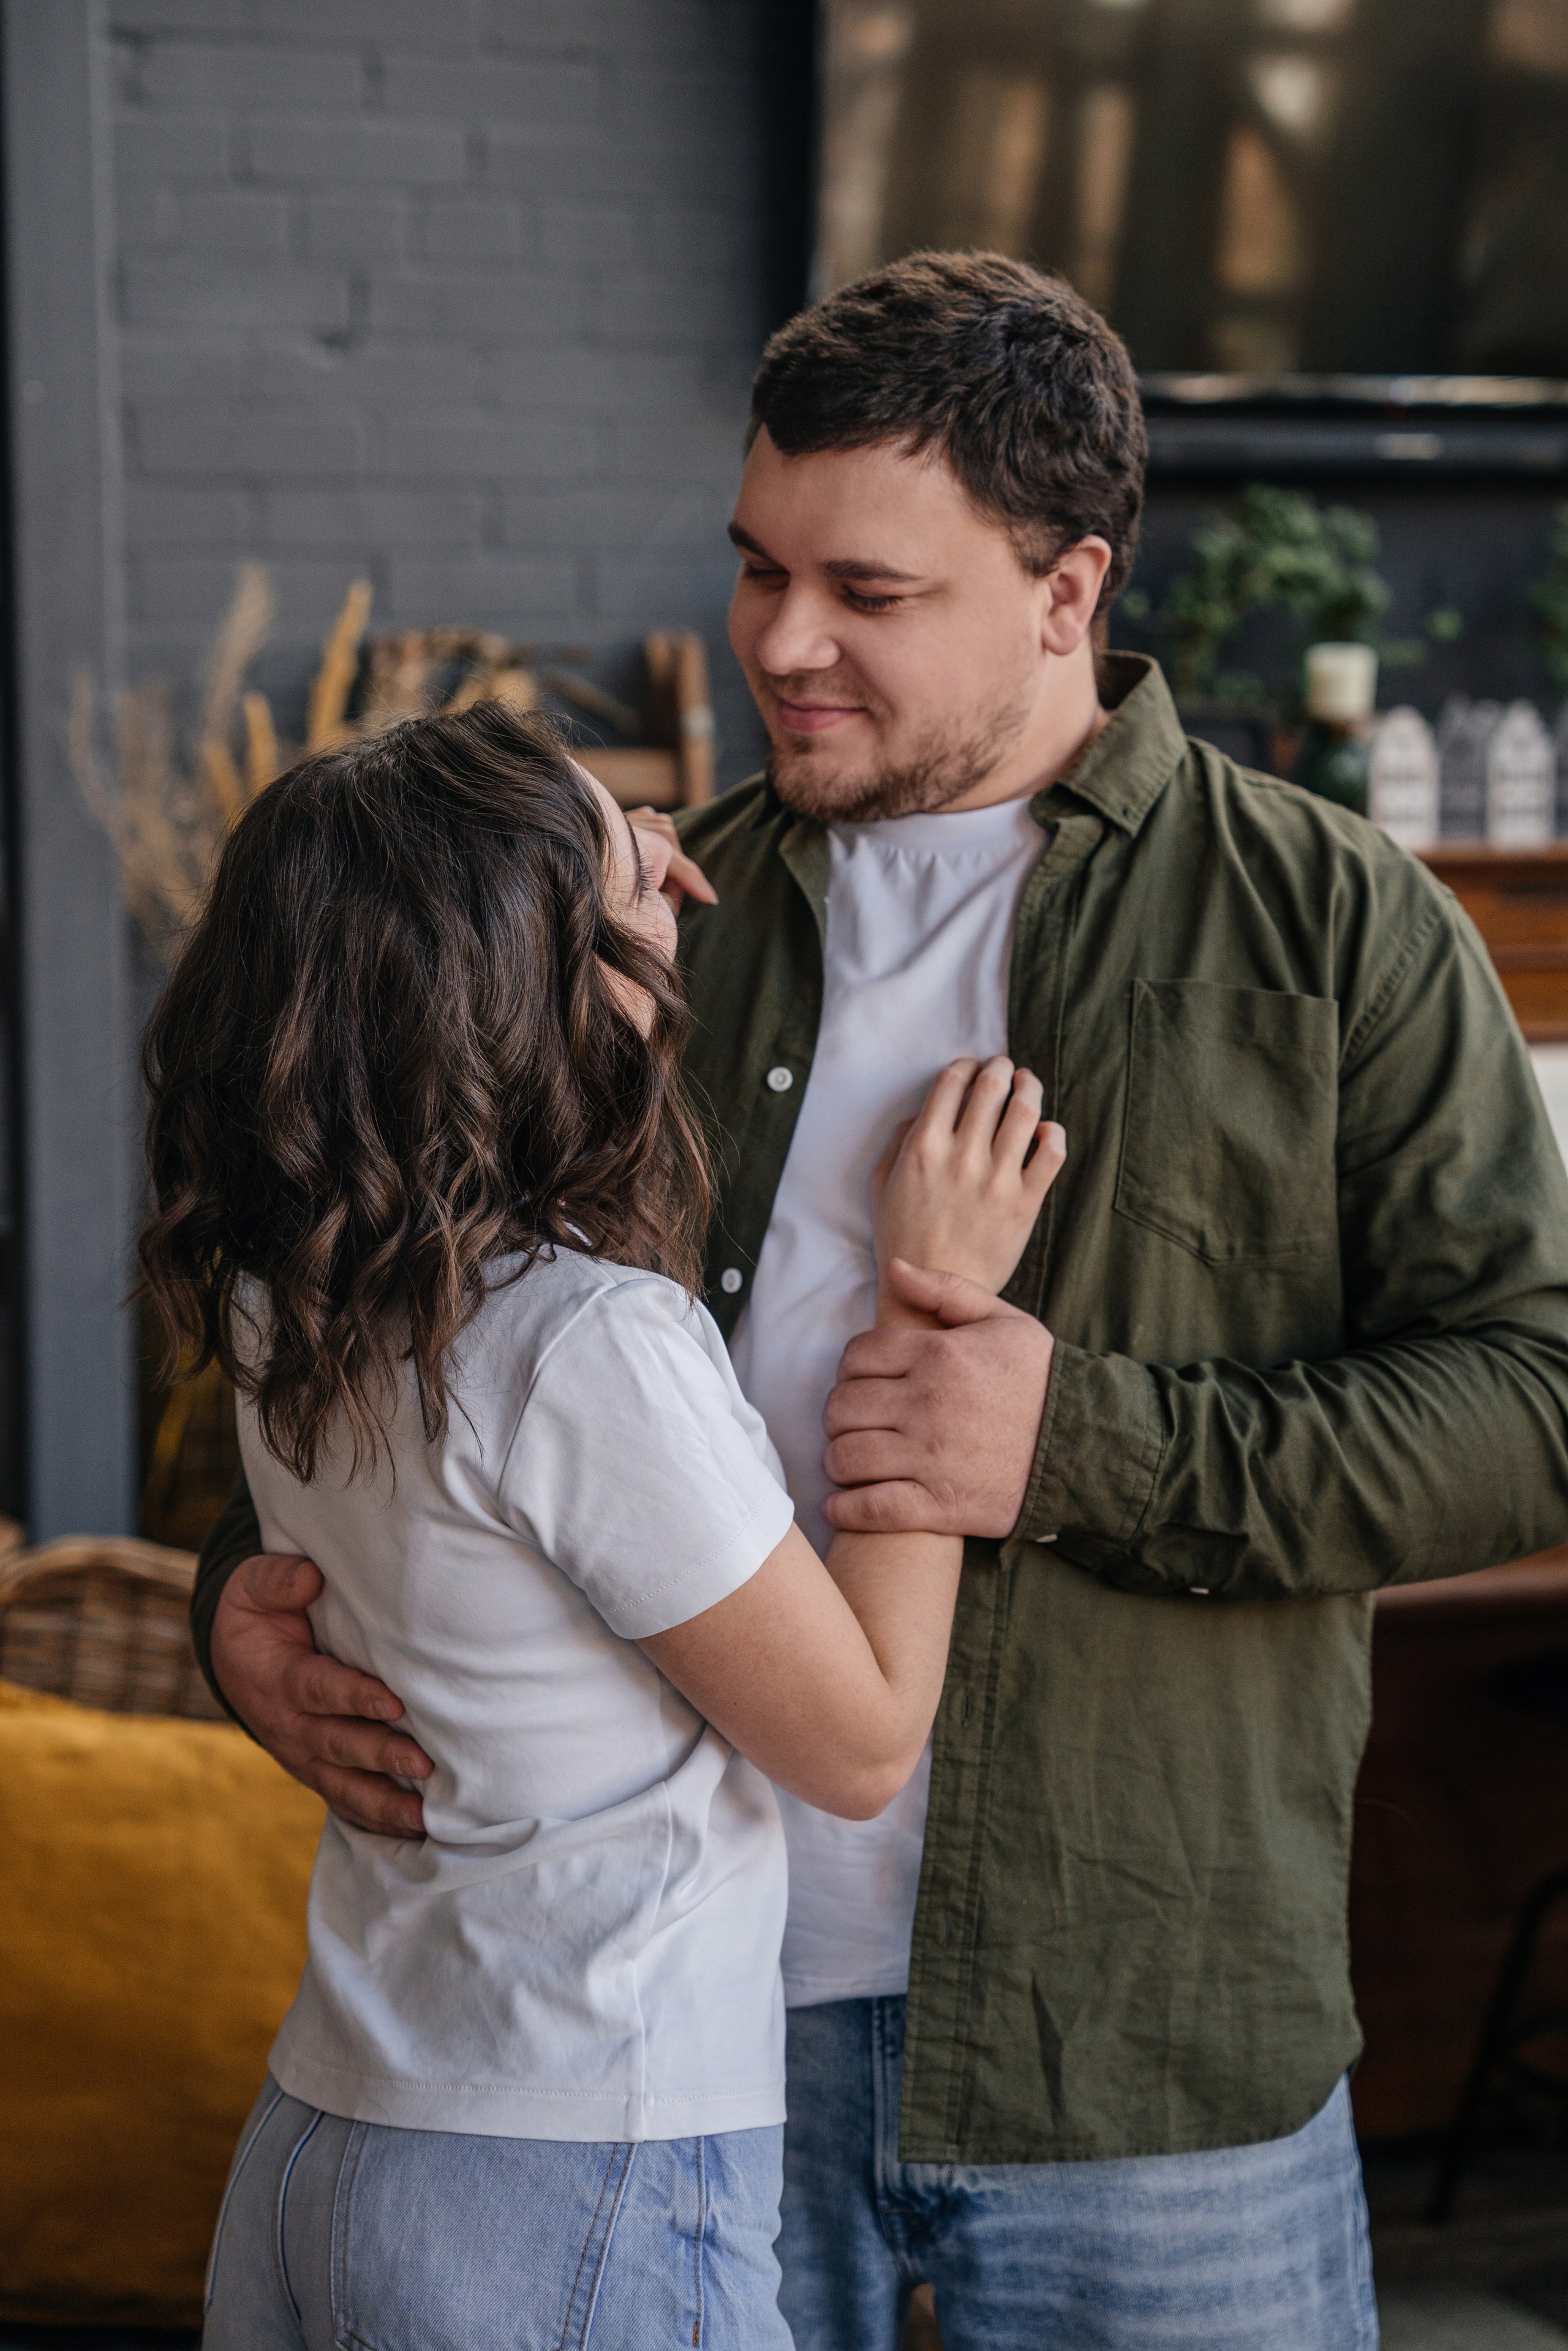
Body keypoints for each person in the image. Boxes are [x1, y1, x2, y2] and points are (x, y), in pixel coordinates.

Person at [191, 254, 1568, 2350]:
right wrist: (243, 1610)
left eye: (869, 590)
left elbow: (1535, 1399)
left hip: (1140, 2036)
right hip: (674, 2058)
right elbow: (391, 1302)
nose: (781, 643)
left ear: (1065, 585)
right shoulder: (626, 935)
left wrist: (1076, 1442)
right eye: (756, 570)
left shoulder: (1337, 924)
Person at [140, 701, 1063, 2348]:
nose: (673, 870)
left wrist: (603, 911)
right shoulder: (580, 1342)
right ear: (533, 978)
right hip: (569, 2171)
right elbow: (855, 1741)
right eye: (620, 859)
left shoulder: (296, 1296)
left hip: (331, 2132)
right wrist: (934, 1309)